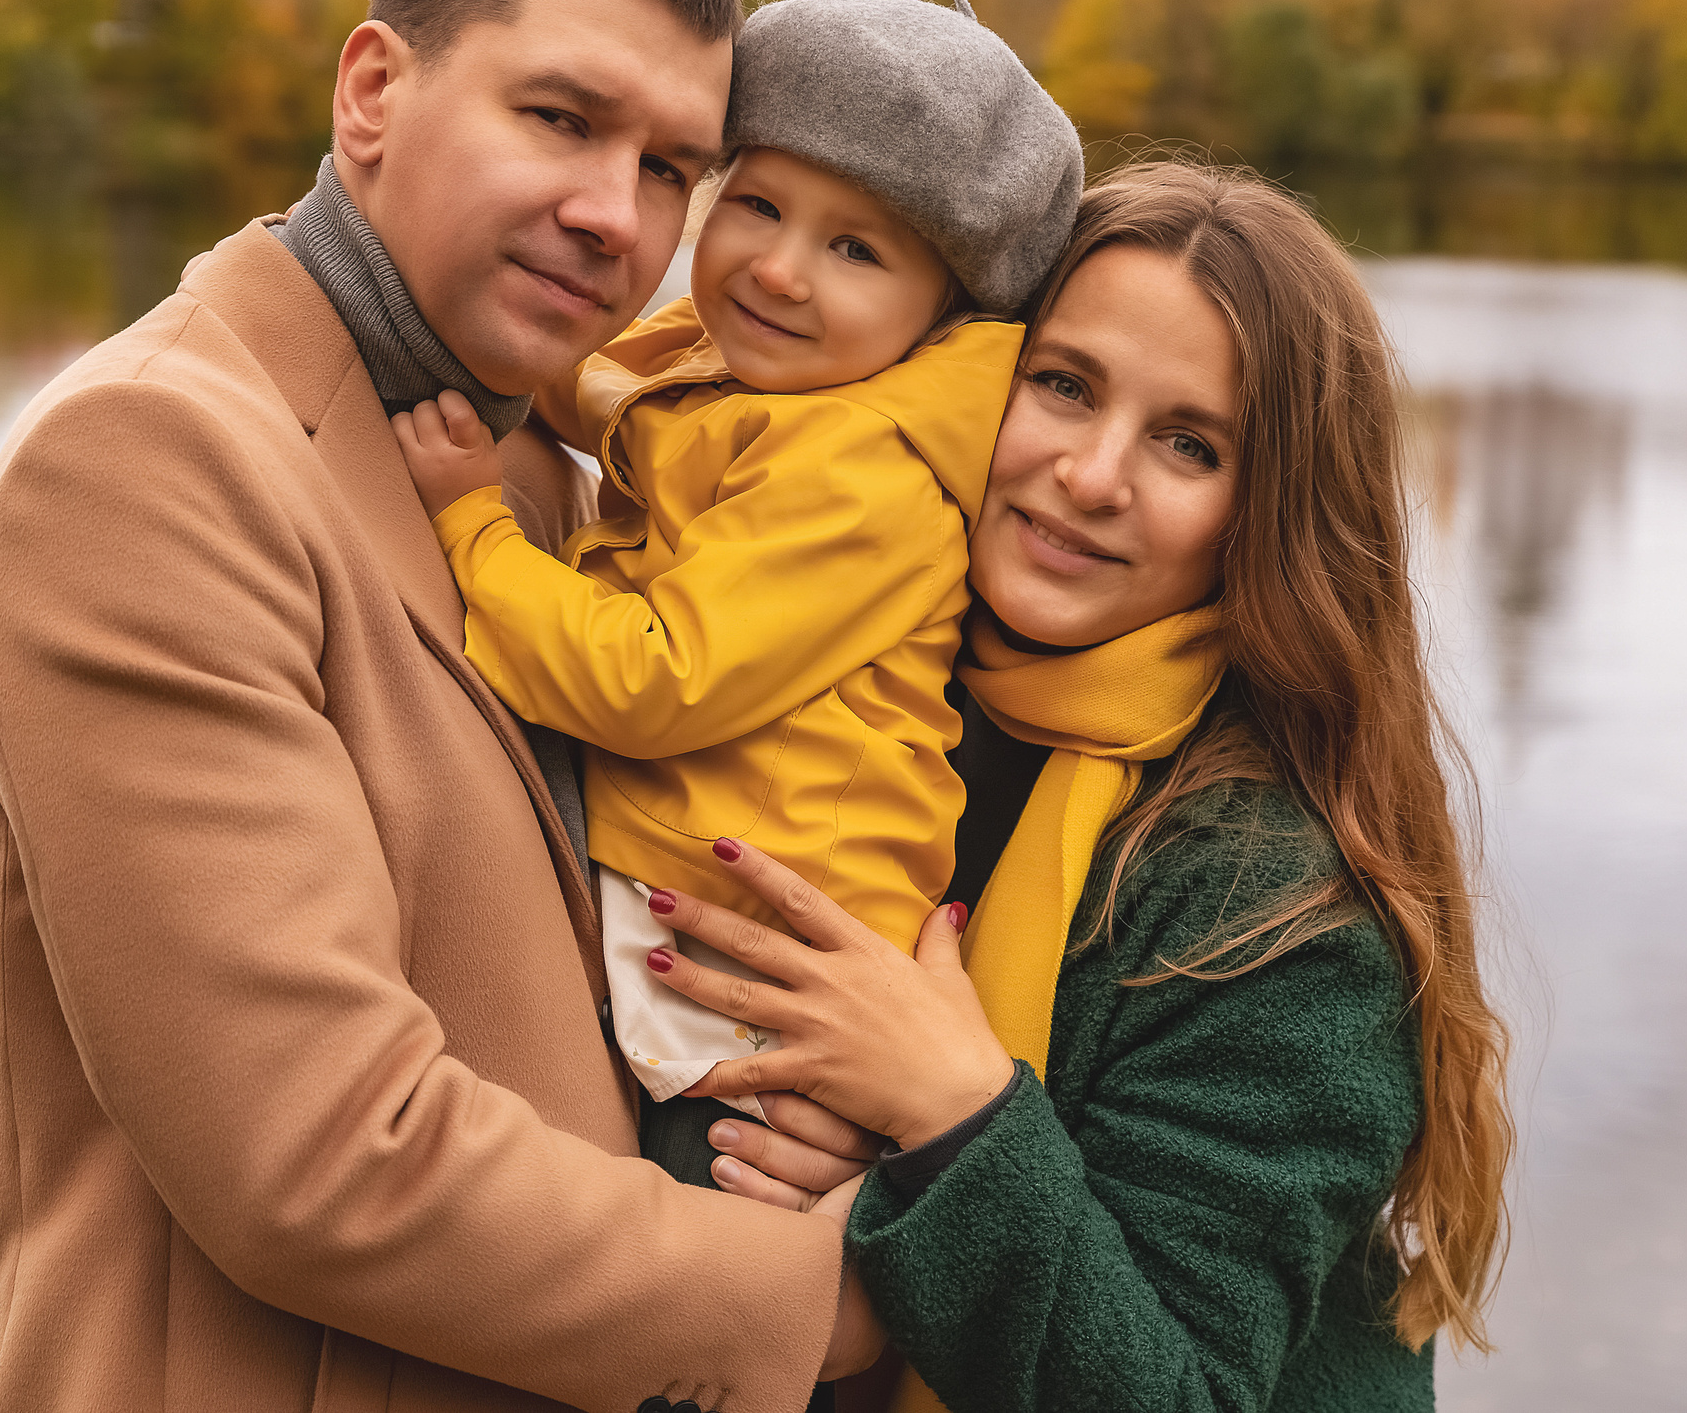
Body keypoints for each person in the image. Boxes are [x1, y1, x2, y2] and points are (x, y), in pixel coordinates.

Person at [0, 0, 879, 1413]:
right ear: (372, 90)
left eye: (670, 166)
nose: (615, 214)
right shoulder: (146, 460)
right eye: (562, 118)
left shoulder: (544, 464)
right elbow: (319, 1155)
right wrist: (860, 1290)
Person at [638, 163, 1515, 1410]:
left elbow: (1180, 1393)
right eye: (1062, 385)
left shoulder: (1277, 908)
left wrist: (948, 1115)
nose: (1093, 475)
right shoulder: (854, 682)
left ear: (1266, 512)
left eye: (1187, 444)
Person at [388, 0, 1081, 1188]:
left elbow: (650, 677)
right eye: (754, 204)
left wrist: (471, 523)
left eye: (854, 249)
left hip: (762, 974)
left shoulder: (867, 475)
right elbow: (613, 400)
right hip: (698, 898)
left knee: (691, 1286)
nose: (777, 268)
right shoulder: (763, 375)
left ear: (942, 313)